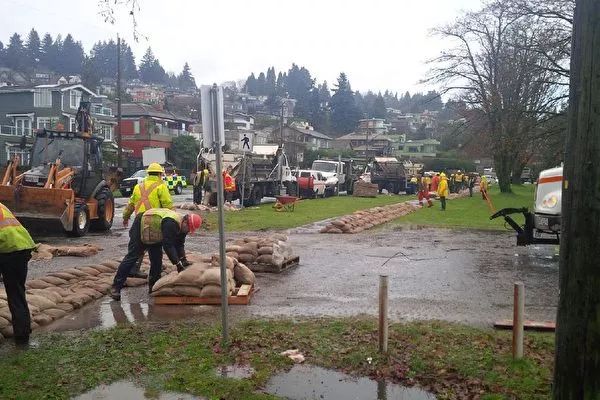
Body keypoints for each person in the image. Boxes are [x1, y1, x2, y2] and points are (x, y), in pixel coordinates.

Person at [110, 209, 202, 300]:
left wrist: (183, 260)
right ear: (185, 221)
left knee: (157, 261)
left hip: (155, 233)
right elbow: (168, 246)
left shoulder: (182, 227)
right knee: (132, 256)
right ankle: (116, 287)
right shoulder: (171, 223)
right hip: (141, 225)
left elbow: (179, 244)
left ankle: (153, 288)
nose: (188, 231)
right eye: (189, 228)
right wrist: (177, 264)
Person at [122, 162, 173, 279]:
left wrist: (125, 217)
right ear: (160, 174)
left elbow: (130, 204)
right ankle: (155, 272)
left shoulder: (138, 187)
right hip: (153, 221)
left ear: (148, 173)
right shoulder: (161, 186)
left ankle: (133, 269)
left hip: (139, 220)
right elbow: (168, 205)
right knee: (154, 247)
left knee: (136, 247)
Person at [0, 202, 36, 345]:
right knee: (17, 294)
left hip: (7, 248)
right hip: (23, 247)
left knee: (15, 292)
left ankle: (22, 337)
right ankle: (23, 336)